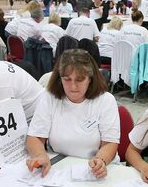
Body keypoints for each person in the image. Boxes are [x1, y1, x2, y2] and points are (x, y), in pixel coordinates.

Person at [26, 49, 120, 177]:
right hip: (60, 166)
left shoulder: (105, 100)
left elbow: (110, 143)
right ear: (60, 79)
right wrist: (40, 155)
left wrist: (100, 160)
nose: (73, 87)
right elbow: (35, 137)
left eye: (80, 80)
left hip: (96, 169)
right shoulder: (50, 98)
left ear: (90, 79)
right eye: (67, 79)